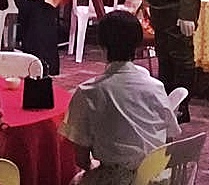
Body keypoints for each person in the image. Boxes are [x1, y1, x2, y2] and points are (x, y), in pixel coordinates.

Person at [60, 10, 180, 185]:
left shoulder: (88, 92)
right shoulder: (156, 87)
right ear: (138, 44)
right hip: (159, 178)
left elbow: (81, 160)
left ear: (102, 45)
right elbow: (169, 138)